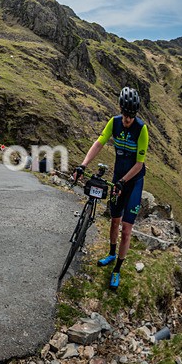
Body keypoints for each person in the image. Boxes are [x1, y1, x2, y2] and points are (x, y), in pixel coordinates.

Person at [72, 86, 148, 289]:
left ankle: (117, 270)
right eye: (126, 115)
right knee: (114, 222)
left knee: (126, 228)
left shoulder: (141, 129)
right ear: (121, 110)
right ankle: (111, 254)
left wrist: (124, 181)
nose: (128, 120)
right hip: (118, 178)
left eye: (131, 116)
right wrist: (83, 164)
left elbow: (139, 164)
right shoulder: (114, 123)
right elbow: (99, 143)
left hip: (134, 181)